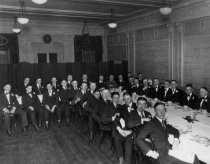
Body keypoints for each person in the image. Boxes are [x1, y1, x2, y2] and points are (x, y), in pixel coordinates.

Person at [113, 92, 137, 164]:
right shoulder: (121, 107)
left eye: (128, 98)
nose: (127, 100)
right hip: (124, 130)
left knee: (128, 143)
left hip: (133, 131)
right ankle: (121, 158)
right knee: (117, 138)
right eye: (125, 99)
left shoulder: (137, 106)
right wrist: (120, 130)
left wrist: (131, 131)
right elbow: (116, 118)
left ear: (132, 98)